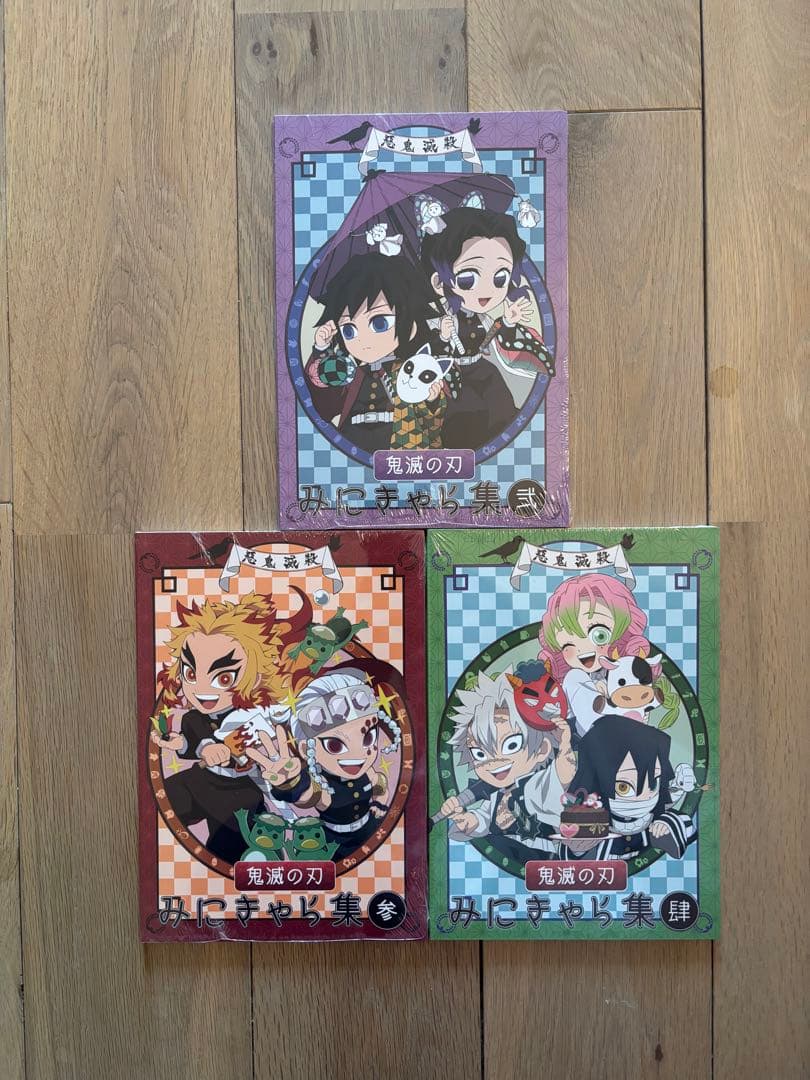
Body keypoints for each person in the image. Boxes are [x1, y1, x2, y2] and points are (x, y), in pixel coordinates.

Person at [151, 590, 310, 863]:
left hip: (239, 794)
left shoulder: (256, 716)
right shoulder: (193, 718)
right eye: (191, 673)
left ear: (256, 676)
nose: (201, 689)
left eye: (223, 678)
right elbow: (194, 739)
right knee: (160, 806)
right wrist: (181, 744)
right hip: (199, 781)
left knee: (236, 849)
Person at [421, 206, 554, 450]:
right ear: (439, 282)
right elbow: (425, 354)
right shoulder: (439, 320)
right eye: (468, 279)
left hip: (483, 370)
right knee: (464, 420)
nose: (487, 290)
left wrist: (508, 322)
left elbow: (490, 339)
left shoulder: (481, 318)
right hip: (452, 378)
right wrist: (443, 336)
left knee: (500, 407)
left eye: (500, 278)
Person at [306, 252, 442, 453]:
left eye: (379, 323)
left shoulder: (412, 368)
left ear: (411, 324)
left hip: (400, 442)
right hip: (352, 443)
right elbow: (324, 408)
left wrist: (433, 400)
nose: (363, 340)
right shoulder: (350, 371)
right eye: (349, 330)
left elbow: (433, 418)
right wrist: (321, 350)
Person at [437, 669, 576, 863]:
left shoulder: (539, 784)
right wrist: (464, 819)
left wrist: (565, 745)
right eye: (480, 754)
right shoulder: (496, 796)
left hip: (544, 862)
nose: (493, 761)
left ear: (542, 749)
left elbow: (564, 772)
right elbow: (480, 822)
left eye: (511, 745)